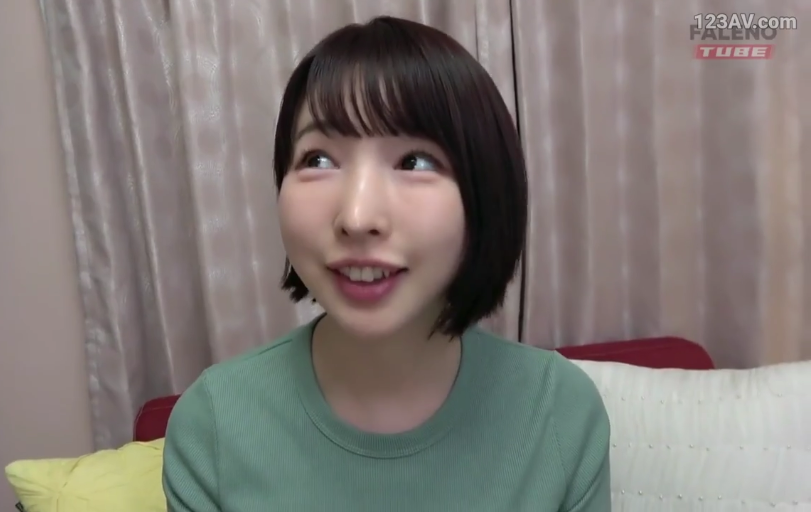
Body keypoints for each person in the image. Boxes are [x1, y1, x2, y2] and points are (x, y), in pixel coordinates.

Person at [162, 15, 610, 512]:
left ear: (486, 193)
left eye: (414, 161)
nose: (357, 218)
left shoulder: (558, 413)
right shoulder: (213, 426)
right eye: (318, 159)